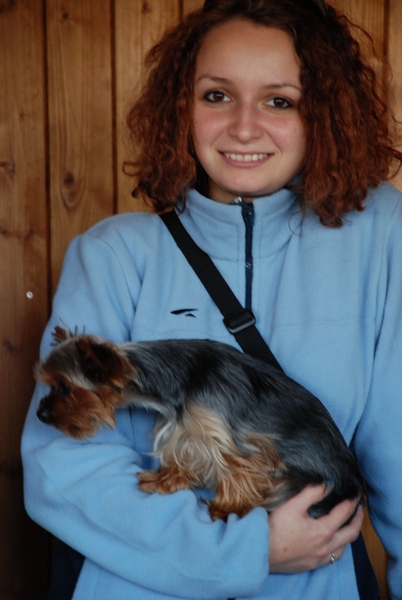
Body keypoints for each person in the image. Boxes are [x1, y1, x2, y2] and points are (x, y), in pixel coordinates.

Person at [21, 0, 402, 598]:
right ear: (182, 106)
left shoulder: (378, 237)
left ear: (322, 115)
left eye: (280, 101)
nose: (244, 127)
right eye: (217, 95)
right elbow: (63, 468)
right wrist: (246, 550)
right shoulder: (113, 253)